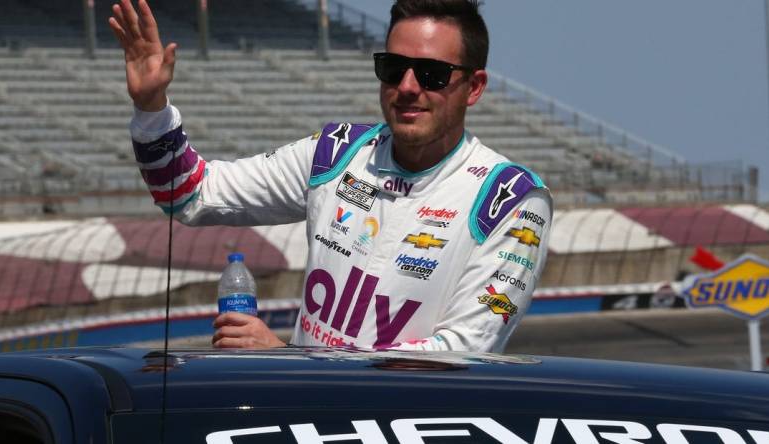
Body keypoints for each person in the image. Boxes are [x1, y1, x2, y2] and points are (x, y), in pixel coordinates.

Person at [109, 0, 553, 352]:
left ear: (474, 87)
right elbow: (189, 194)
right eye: (393, 68)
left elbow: (461, 355)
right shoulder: (337, 152)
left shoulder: (511, 199)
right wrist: (152, 108)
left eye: (432, 74)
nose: (408, 87)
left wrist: (290, 360)